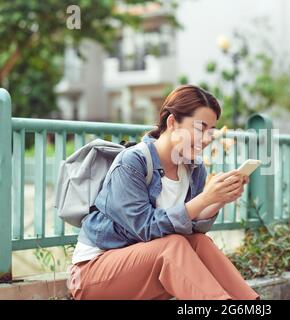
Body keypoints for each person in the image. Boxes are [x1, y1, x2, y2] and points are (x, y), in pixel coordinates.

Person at [68, 84, 260, 300]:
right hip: (94, 273)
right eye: (200, 128)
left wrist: (217, 200)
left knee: (199, 243)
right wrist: (205, 198)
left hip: (147, 271)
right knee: (173, 245)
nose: (207, 138)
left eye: (211, 131)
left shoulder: (194, 168)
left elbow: (192, 228)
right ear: (172, 122)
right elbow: (145, 228)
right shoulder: (133, 162)